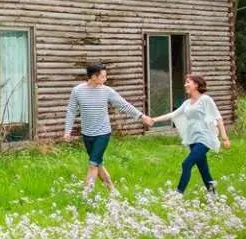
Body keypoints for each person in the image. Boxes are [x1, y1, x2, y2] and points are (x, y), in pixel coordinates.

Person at [64, 64, 152, 196]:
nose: (106, 78)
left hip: (103, 133)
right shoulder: (77, 91)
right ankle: (112, 190)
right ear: (94, 77)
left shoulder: (107, 91)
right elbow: (71, 111)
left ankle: (86, 195)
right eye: (103, 76)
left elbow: (123, 105)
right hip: (87, 134)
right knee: (98, 164)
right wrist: (67, 131)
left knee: (92, 164)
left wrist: (141, 116)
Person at [149, 74, 231, 195]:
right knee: (204, 170)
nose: (185, 85)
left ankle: (178, 194)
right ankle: (213, 196)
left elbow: (218, 118)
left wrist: (224, 138)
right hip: (192, 139)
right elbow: (173, 114)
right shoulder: (187, 103)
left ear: (196, 85)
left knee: (186, 164)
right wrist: (154, 120)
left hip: (205, 138)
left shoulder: (206, 100)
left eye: (188, 82)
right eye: (185, 82)